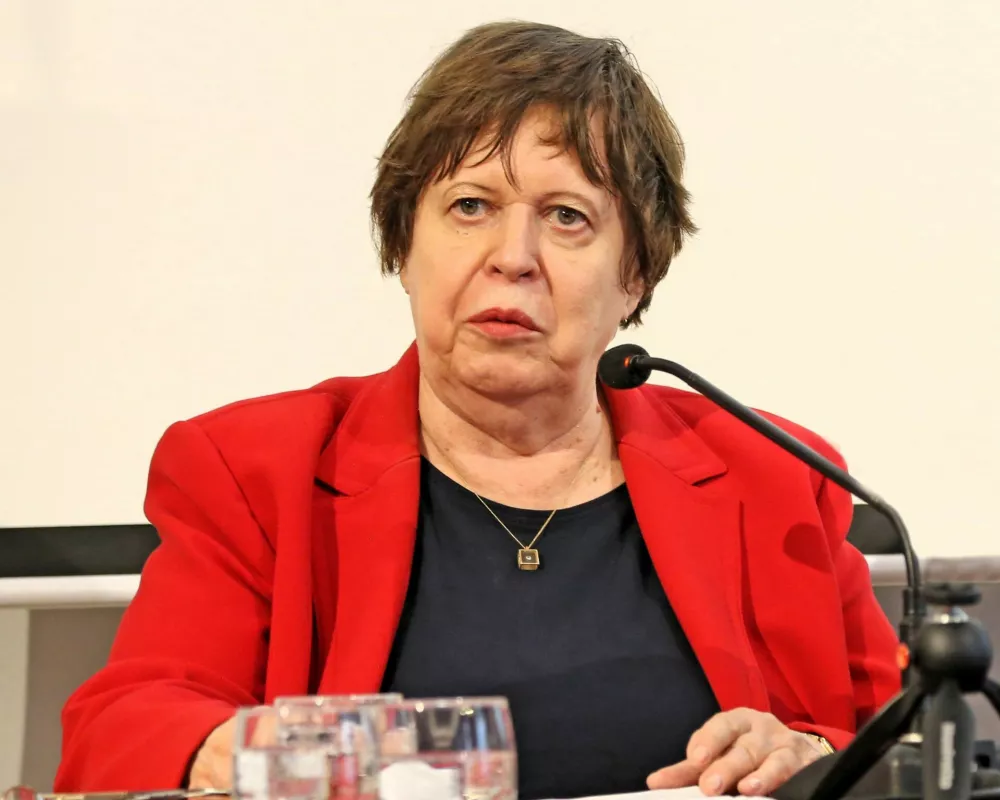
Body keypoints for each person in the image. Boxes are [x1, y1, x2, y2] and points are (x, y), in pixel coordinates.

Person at [55, 20, 900, 800]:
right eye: (470, 206)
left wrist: (808, 755)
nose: (513, 257)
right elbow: (122, 731)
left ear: (635, 274)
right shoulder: (257, 469)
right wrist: (333, 760)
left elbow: (905, 743)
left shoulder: (774, 473)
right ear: (404, 244)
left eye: (567, 217)